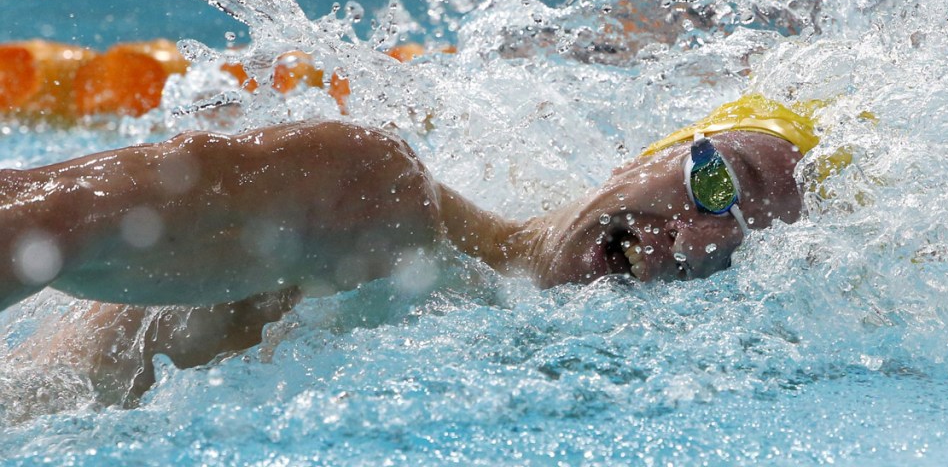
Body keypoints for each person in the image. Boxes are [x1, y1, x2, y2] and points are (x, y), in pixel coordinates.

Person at [3, 93, 817, 405]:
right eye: (718, 181)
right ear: (642, 156)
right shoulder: (367, 196)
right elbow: (23, 219)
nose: (704, 238)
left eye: (745, 246)